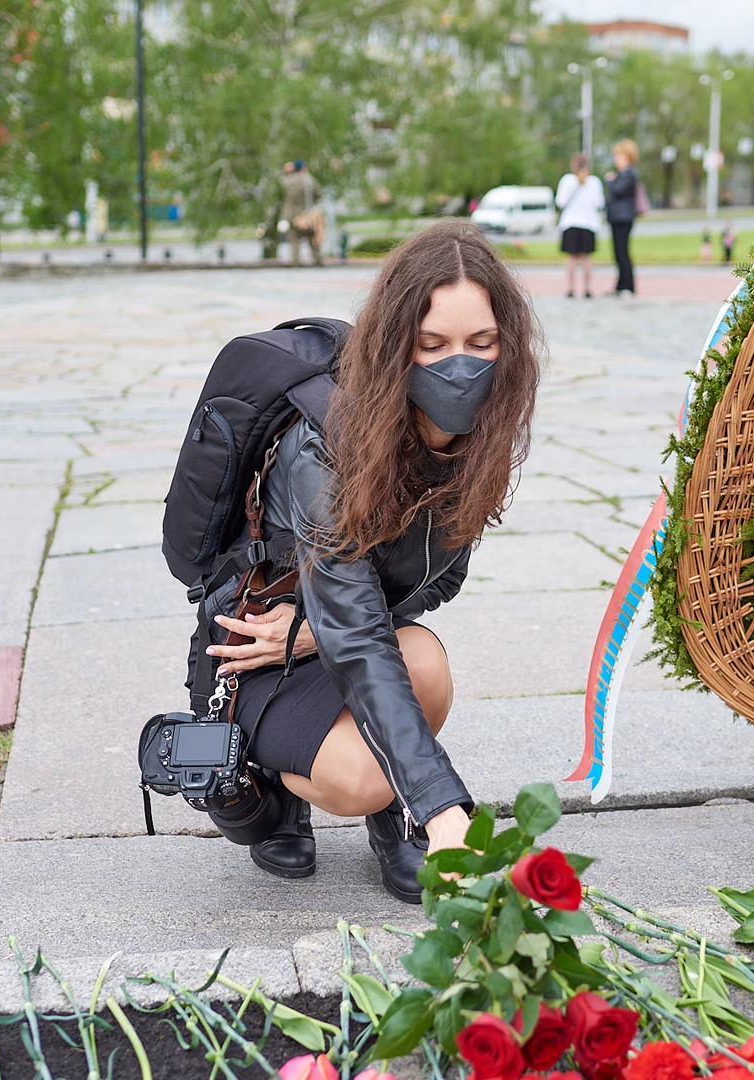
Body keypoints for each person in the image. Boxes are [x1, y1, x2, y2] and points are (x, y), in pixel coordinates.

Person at [193, 220, 542, 902]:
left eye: (481, 343)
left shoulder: (475, 441)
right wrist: (448, 808)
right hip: (254, 647)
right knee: (356, 778)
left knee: (426, 662)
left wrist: (315, 628)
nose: (461, 366)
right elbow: (357, 639)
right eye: (432, 345)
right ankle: (272, 782)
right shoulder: (322, 448)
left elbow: (435, 586)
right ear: (394, 347)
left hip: (320, 636)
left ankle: (396, 808)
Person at [555, 152, 603, 298]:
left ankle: (571, 288)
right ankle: (587, 288)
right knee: (586, 258)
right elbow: (599, 203)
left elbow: (560, 202)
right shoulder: (594, 182)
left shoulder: (567, 181)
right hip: (588, 223)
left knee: (571, 258)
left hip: (571, 222)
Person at [604, 139, 641, 296]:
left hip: (623, 217)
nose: (616, 159)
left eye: (619, 156)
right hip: (617, 217)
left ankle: (628, 285)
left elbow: (618, 190)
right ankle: (621, 284)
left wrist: (610, 181)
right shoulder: (622, 174)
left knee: (623, 251)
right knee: (618, 252)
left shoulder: (629, 174)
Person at [280, 160, 323, 266]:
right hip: (307, 214)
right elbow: (318, 193)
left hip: (291, 214)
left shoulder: (286, 180)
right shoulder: (309, 179)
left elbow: (279, 195)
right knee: (312, 236)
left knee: (294, 238)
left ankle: (295, 261)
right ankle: (318, 259)